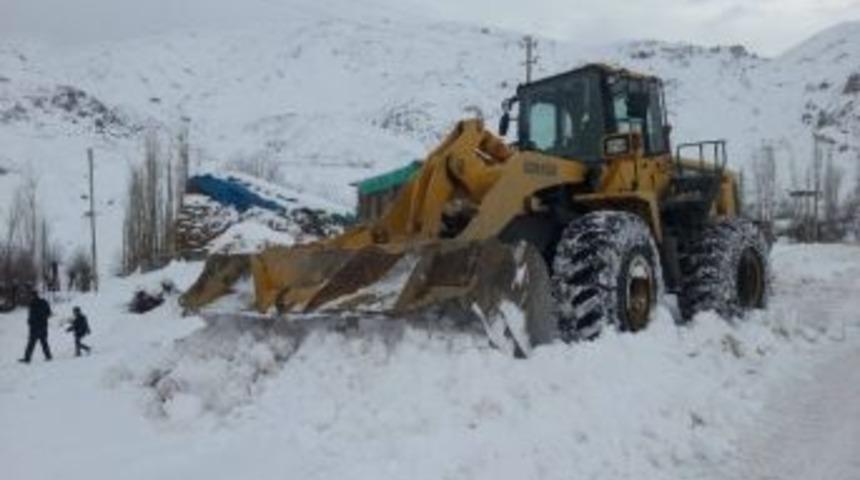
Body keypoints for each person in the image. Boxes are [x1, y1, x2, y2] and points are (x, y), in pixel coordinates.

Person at [19, 289, 53, 363]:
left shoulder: (33, 303)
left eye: (31, 296)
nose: (30, 297)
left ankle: (27, 358)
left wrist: (31, 321)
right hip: (43, 326)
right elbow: (49, 313)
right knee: (44, 342)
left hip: (35, 327)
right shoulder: (44, 302)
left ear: (33, 296)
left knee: (31, 343)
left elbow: (33, 316)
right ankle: (48, 356)